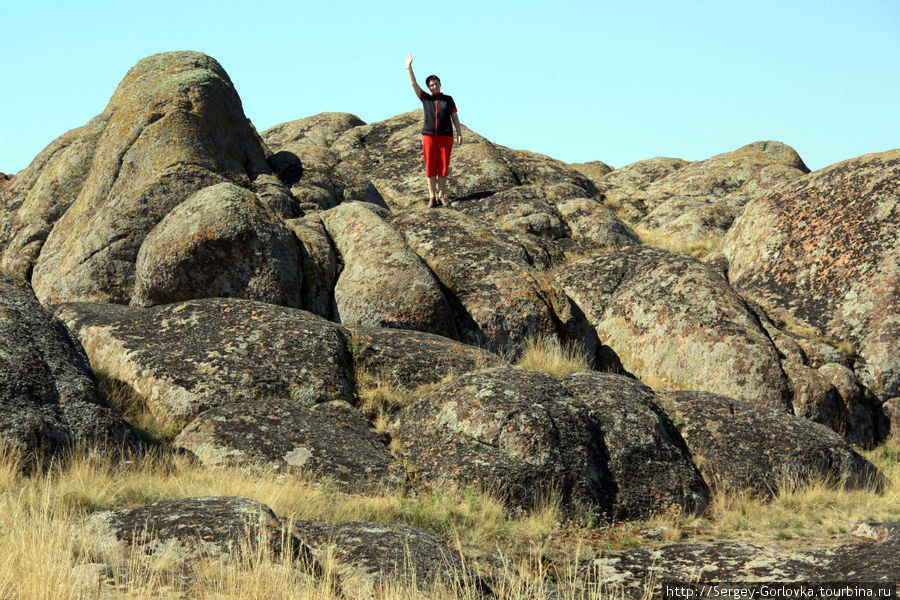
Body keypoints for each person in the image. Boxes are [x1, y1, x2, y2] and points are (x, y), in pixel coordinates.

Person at [405, 53, 463, 208]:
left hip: (446, 136)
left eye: (436, 84)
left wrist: (459, 133)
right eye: (431, 85)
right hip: (429, 136)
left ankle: (442, 195)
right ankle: (432, 197)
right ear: (429, 87)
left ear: (440, 84)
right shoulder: (426, 98)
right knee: (431, 166)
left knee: (443, 167)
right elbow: (414, 84)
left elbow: (455, 117)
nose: (434, 87)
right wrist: (409, 67)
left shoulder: (448, 99)